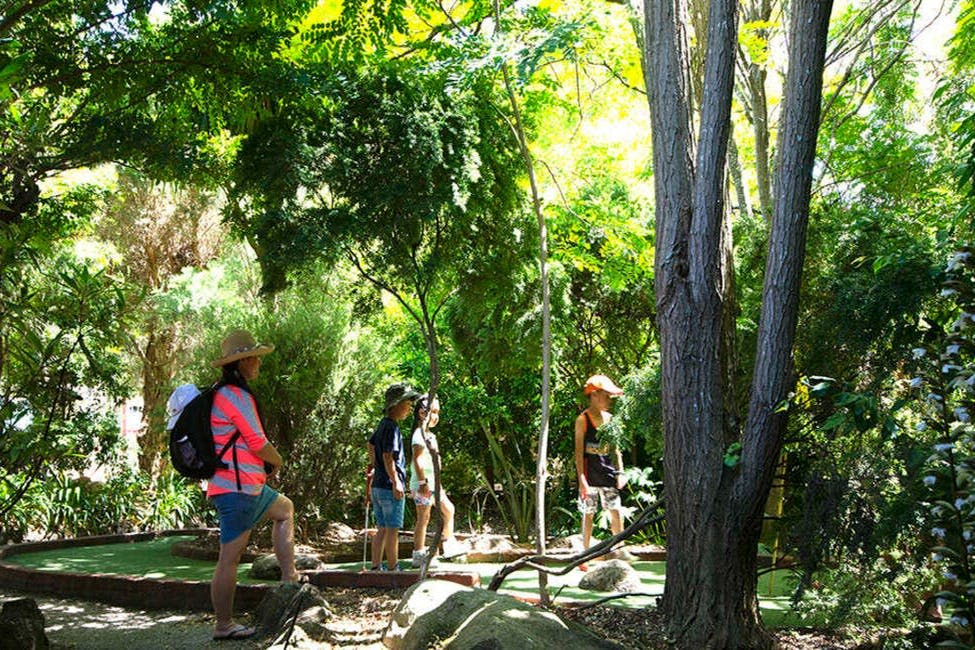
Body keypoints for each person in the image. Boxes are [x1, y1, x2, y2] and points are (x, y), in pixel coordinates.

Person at [207, 330, 299, 641]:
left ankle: (290, 578)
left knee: (284, 509)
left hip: (245, 485)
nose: (259, 362)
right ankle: (223, 625)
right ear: (242, 361)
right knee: (229, 556)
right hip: (238, 488)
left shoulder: (222, 393)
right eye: (255, 357)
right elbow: (257, 442)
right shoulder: (235, 395)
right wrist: (278, 459)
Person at [575, 374, 633, 570]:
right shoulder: (582, 420)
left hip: (607, 473)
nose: (609, 400)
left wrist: (621, 472)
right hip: (589, 476)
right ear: (594, 395)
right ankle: (584, 554)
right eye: (606, 396)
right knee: (588, 514)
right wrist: (582, 480)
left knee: (615, 510)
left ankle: (620, 547)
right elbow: (578, 454)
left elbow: (616, 450)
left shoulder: (610, 420)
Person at [366, 383, 420, 571]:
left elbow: (371, 444)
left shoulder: (382, 424)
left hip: (378, 486)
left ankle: (375, 567)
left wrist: (374, 467)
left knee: (382, 528)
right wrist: (396, 482)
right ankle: (393, 568)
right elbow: (388, 455)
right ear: (395, 405)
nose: (409, 407)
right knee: (392, 529)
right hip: (389, 486)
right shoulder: (392, 428)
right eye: (407, 403)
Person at [408, 394, 464, 567]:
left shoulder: (431, 435)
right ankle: (418, 554)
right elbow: (417, 460)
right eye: (432, 411)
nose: (436, 416)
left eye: (438, 412)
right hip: (422, 484)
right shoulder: (419, 434)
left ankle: (448, 543)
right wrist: (423, 483)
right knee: (423, 517)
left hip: (434, 484)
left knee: (449, 510)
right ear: (422, 413)